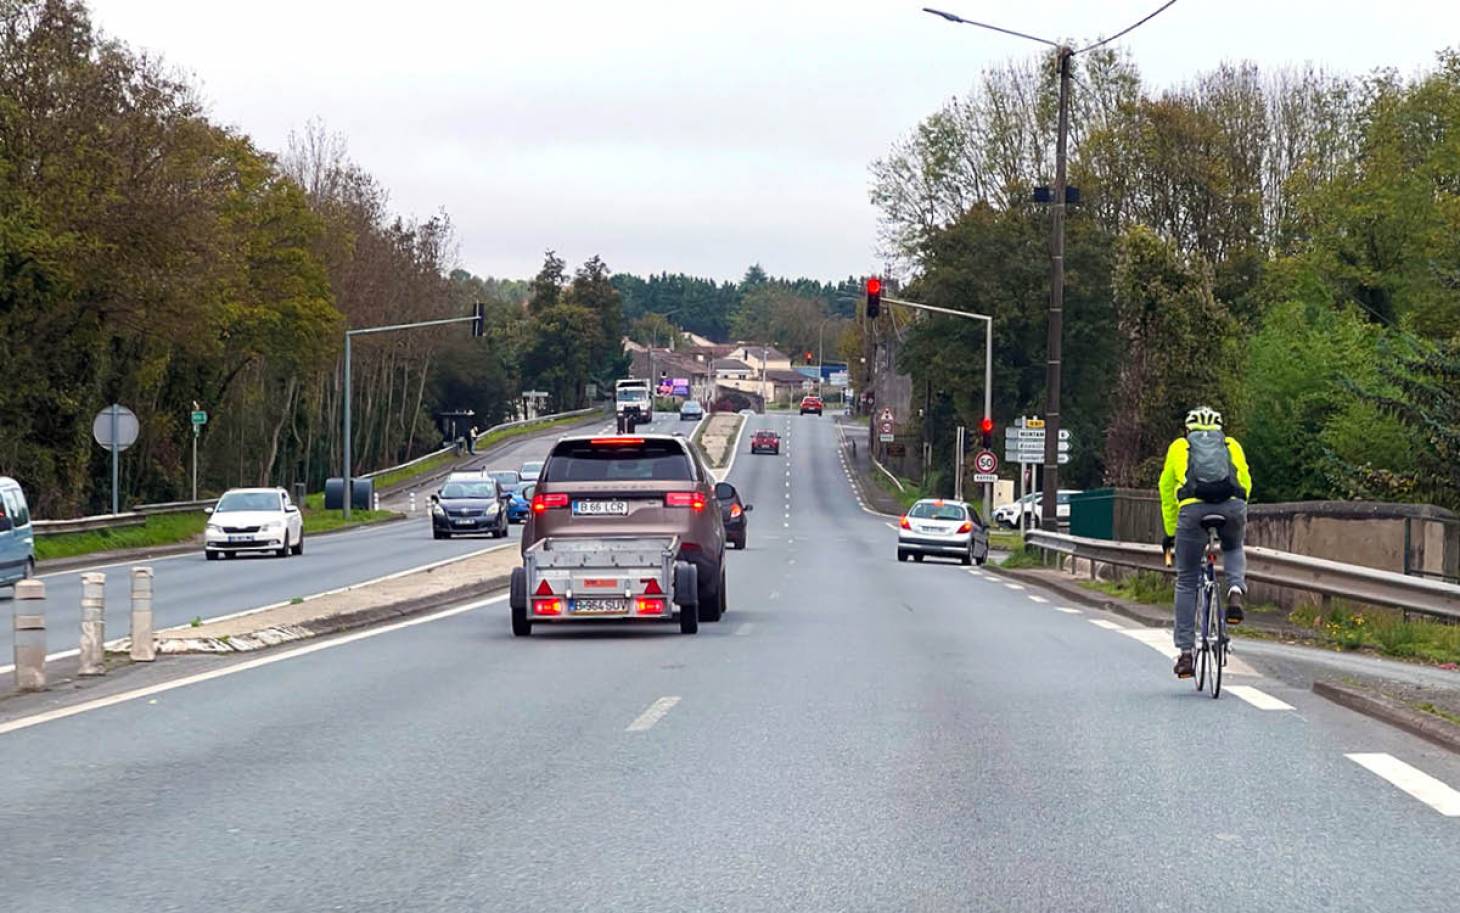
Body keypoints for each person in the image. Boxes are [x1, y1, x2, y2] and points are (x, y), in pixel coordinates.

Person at [1158, 406, 1253, 679]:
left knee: (1187, 579)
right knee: (1233, 546)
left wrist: (1170, 532)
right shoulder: (1231, 444)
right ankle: (1235, 589)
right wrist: (1237, 509)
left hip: (1193, 510)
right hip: (1232, 506)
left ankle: (1186, 654)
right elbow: (1245, 480)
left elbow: (1166, 491)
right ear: (1219, 427)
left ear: (1188, 429)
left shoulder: (1179, 446)